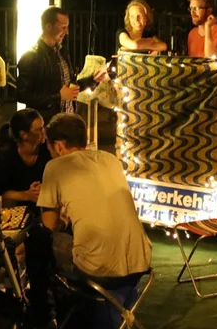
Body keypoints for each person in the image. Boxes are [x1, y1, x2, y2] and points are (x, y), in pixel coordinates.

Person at [38, 113, 152, 280]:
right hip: (141, 261)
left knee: (38, 240)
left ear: (59, 145)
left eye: (49, 147)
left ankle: (41, 303)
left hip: (96, 269)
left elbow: (49, 225)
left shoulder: (55, 166)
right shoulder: (110, 159)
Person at [0, 108, 55, 328]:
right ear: (24, 134)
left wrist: (42, 190)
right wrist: (26, 194)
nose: (44, 132)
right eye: (39, 129)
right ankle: (15, 293)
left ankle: (41, 295)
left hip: (42, 206)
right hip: (13, 207)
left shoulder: (46, 151)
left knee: (42, 235)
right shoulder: (6, 152)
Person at [17, 6, 107, 122]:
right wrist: (58, 96)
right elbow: (22, 95)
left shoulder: (62, 52)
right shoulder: (32, 56)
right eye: (63, 27)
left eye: (67, 27)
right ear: (48, 27)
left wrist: (93, 80)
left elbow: (69, 88)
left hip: (67, 120)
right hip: (47, 124)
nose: (67, 32)